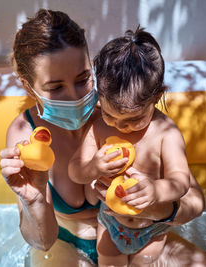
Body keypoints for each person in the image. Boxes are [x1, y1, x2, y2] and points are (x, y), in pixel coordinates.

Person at [0, 9, 206, 267]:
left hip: (141, 235)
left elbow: (195, 202)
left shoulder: (121, 112)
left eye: (83, 78)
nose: (75, 96)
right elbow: (43, 242)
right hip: (68, 246)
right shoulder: (25, 134)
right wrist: (35, 199)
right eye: (55, 87)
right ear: (28, 86)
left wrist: (153, 208)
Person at [68, 27, 191, 266]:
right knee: (108, 261)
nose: (121, 126)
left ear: (157, 97)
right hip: (111, 221)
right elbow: (75, 170)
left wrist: (156, 191)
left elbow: (181, 180)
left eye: (134, 119)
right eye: (110, 116)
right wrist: (93, 167)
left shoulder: (166, 132)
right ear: (99, 98)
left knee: (143, 262)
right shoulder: (98, 127)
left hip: (152, 229)